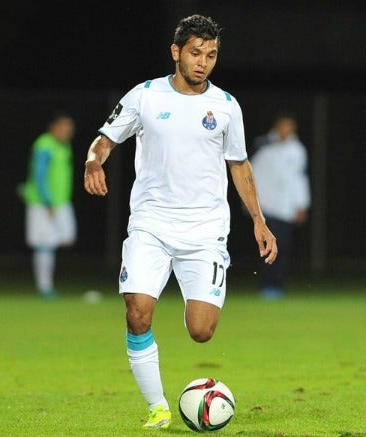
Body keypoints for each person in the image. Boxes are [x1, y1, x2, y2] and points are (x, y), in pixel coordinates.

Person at [83, 14, 278, 429]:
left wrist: (258, 221)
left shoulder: (225, 106)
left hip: (206, 231)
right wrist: (91, 162)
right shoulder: (145, 96)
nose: (202, 62)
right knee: (137, 311)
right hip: (151, 225)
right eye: (194, 53)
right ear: (176, 52)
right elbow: (105, 138)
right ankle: (157, 407)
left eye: (210, 55)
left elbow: (239, 165)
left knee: (201, 331)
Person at [249, 113, 311, 300]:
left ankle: (277, 285)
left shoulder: (297, 150)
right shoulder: (263, 146)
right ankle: (266, 285)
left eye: (290, 127)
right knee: (266, 248)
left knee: (282, 247)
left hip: (285, 208)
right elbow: (250, 174)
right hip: (266, 208)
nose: (287, 131)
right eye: (284, 126)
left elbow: (299, 178)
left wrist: (301, 204)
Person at [19, 112, 77, 298]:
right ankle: (44, 288)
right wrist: (47, 201)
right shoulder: (44, 145)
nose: (67, 131)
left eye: (70, 127)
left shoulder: (64, 145)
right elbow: (39, 174)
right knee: (45, 244)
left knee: (67, 238)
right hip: (43, 203)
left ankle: (49, 283)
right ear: (53, 127)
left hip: (61, 202)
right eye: (63, 127)